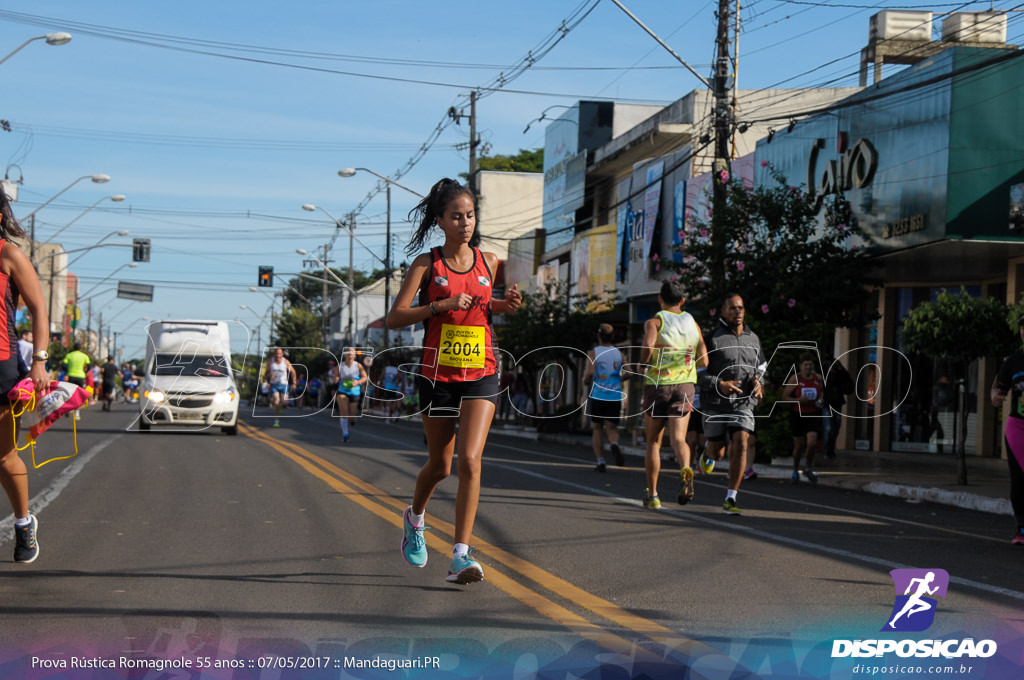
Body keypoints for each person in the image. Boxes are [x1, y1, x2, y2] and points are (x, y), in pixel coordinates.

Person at [389, 177, 521, 584]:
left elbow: (483, 307)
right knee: (441, 465)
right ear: (441, 221)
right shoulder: (427, 265)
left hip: (482, 369)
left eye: (471, 215)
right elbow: (396, 316)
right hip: (438, 374)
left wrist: (506, 304)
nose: (466, 223)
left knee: (470, 459)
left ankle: (461, 554)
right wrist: (438, 305)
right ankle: (415, 518)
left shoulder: (490, 261)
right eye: (457, 216)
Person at [0, 185, 51, 562]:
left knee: (3, 456)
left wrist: (40, 361)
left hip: (1, 364)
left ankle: (22, 523)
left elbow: (39, 310)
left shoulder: (9, 254)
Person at [640, 281, 707, 508]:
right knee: (679, 438)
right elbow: (704, 358)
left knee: (654, 442)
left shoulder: (655, 322)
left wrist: (642, 365)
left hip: (658, 385)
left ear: (660, 299)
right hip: (685, 385)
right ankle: (686, 468)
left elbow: (648, 347)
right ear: (683, 301)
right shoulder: (693, 324)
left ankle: (653, 496)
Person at [701, 293, 766, 516]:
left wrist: (759, 382)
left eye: (740, 307)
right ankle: (708, 453)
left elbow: (761, 367)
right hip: (716, 403)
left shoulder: (753, 338)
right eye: (732, 308)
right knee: (717, 453)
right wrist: (719, 383)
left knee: (741, 443)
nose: (738, 311)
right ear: (723, 312)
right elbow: (698, 373)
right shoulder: (711, 339)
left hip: (743, 402)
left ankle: (731, 497)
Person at [991, 315, 1024, 546]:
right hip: (1018, 427)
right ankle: (1021, 530)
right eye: (1023, 328)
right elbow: (998, 389)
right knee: (1020, 480)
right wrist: (995, 395)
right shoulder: (1013, 362)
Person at [583, 323, 625, 473]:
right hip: (615, 396)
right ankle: (614, 444)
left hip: (599, 395)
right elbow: (630, 372)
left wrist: (586, 381)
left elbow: (590, 372)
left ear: (599, 337)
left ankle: (601, 461)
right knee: (612, 428)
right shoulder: (619, 353)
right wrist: (619, 379)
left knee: (597, 428)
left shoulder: (594, 352)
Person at [782, 352, 824, 484]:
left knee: (812, 442)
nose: (808, 367)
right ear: (800, 366)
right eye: (805, 365)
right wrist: (798, 399)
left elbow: (822, 391)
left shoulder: (818, 378)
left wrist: (821, 399)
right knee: (799, 445)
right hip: (797, 413)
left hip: (813, 413)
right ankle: (795, 470)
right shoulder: (795, 379)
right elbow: (784, 397)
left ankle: (807, 467)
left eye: (810, 365)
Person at [822, 354, 854, 461]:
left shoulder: (840, 374)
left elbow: (849, 385)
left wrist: (840, 369)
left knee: (835, 427)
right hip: (827, 404)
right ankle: (827, 450)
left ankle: (830, 450)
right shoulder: (824, 375)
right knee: (828, 428)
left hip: (837, 404)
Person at [333, 347, 367, 443]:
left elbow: (365, 377)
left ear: (355, 355)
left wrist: (358, 382)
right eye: (348, 351)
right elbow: (335, 376)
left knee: (352, 416)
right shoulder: (340, 366)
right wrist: (335, 379)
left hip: (354, 392)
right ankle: (345, 434)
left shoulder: (358, 366)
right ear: (345, 354)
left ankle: (352, 420)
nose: (350, 353)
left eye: (352, 351)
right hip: (342, 391)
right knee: (344, 412)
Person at [264, 347, 296, 428]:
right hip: (274, 385)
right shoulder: (270, 362)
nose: (278, 355)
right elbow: (266, 374)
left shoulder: (285, 362)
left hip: (284, 384)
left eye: (280, 353)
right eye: (276, 353)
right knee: (276, 402)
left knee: (285, 403)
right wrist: (270, 375)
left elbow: (293, 372)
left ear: (282, 354)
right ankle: (276, 421)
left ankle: (282, 406)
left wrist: (294, 383)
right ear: (274, 354)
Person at [63, 342, 91, 420]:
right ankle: (77, 414)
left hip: (71, 376)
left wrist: (67, 372)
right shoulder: (84, 356)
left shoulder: (69, 355)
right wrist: (85, 373)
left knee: (70, 394)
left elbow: (64, 364)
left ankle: (69, 409)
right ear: (80, 348)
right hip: (80, 376)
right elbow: (89, 366)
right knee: (79, 395)